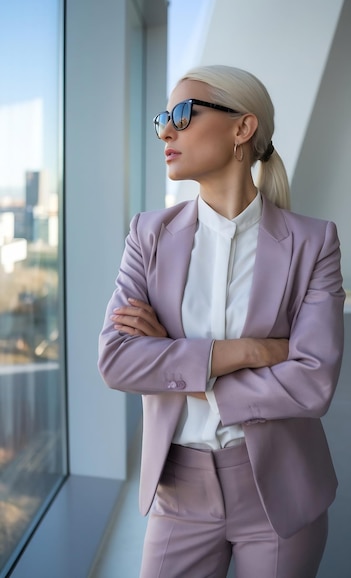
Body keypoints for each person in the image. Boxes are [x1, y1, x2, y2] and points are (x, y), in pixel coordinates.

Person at [98, 65, 345, 578]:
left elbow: (314, 382)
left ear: (242, 128)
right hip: (178, 492)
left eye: (184, 114)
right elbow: (116, 361)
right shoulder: (148, 235)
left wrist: (177, 360)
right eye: (163, 118)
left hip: (279, 492)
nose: (167, 130)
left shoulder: (314, 241)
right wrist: (254, 351)